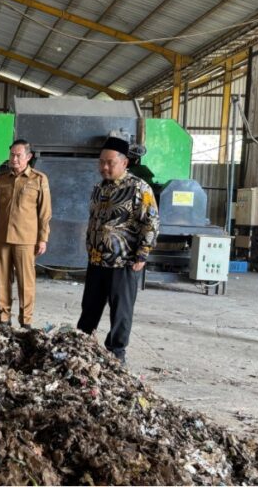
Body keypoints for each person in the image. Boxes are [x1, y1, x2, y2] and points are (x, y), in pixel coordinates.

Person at [77, 137, 160, 364]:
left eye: (110, 162)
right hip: (96, 260)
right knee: (90, 308)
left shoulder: (139, 188)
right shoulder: (98, 188)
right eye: (101, 162)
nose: (104, 167)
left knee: (120, 311)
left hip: (123, 261)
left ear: (124, 163)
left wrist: (143, 253)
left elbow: (151, 222)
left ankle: (116, 352)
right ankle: (81, 344)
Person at [0, 139, 52, 329]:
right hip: (2, 237)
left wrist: (43, 238)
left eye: (18, 155)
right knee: (2, 278)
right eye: (12, 155)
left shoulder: (39, 179)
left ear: (28, 157)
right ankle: (4, 316)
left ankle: (25, 320)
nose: (14, 159)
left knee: (26, 281)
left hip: (26, 239)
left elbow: (45, 212)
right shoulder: (2, 179)